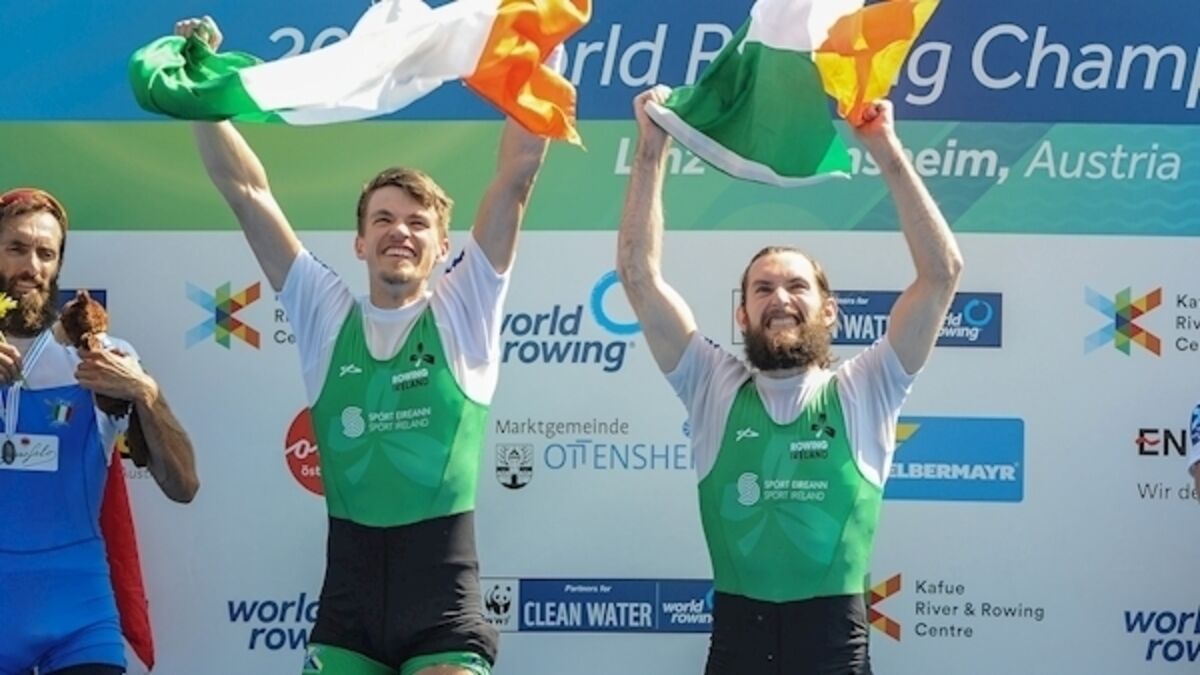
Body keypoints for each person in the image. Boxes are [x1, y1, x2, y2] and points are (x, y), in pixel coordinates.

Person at [180, 14, 551, 675]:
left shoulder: (465, 307)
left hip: (442, 606)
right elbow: (247, 192)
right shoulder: (323, 311)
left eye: (417, 223)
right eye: (383, 219)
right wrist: (201, 90)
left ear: (443, 247)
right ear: (359, 242)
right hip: (346, 610)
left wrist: (540, 43)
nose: (399, 232)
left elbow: (518, 174)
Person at [616, 86, 964, 674]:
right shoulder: (711, 384)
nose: (780, 299)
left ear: (831, 311)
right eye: (763, 288)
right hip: (736, 647)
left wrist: (885, 149)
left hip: (834, 649)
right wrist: (651, 152)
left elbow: (941, 274)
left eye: (798, 287)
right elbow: (638, 275)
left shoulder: (867, 386)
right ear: (742, 315)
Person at [0, 187, 199, 675]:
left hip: (78, 616)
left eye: (47, 253)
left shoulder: (102, 358)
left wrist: (145, 393)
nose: (32, 267)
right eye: (16, 249)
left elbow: (183, 485)